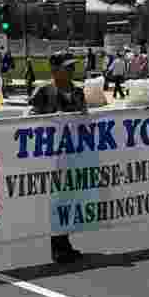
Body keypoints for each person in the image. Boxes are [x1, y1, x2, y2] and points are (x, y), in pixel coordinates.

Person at [28, 51, 87, 264]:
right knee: (57, 200)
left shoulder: (78, 91)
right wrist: (52, 120)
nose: (71, 70)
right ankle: (58, 244)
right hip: (52, 156)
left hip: (74, 154)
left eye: (73, 67)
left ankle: (65, 240)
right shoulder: (44, 91)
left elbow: (85, 117)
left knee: (70, 199)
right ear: (54, 70)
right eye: (67, 67)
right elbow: (30, 119)